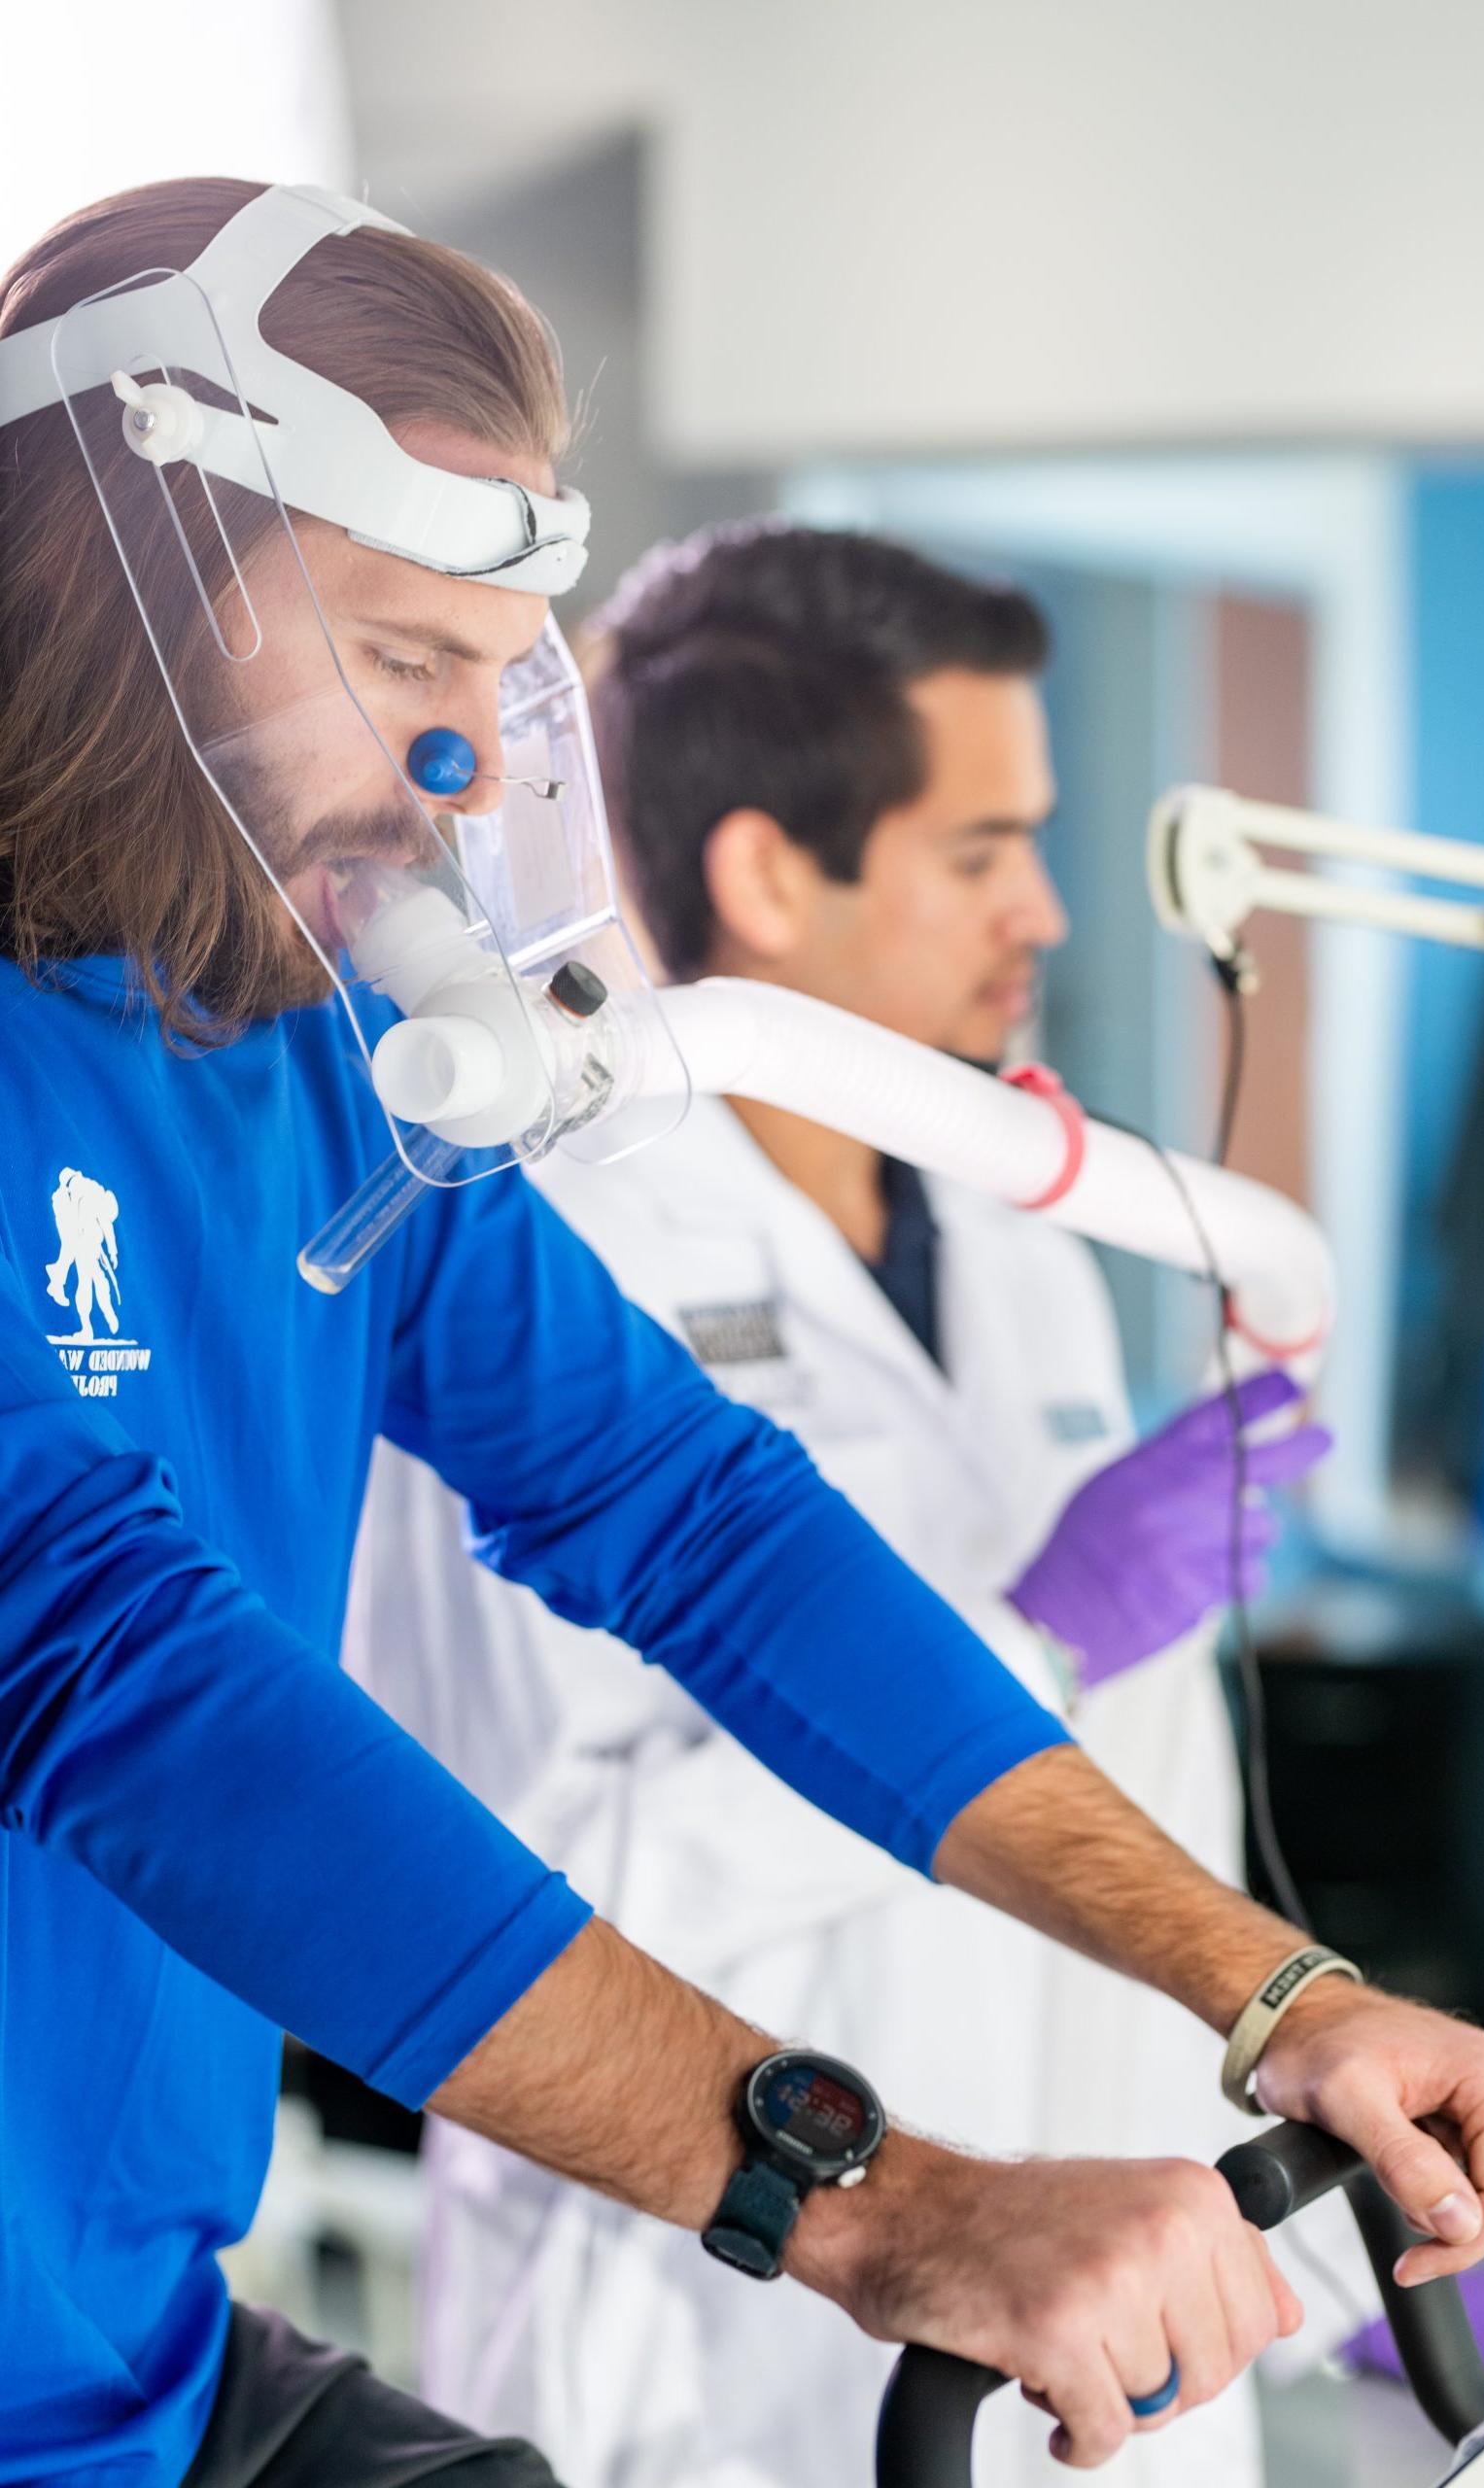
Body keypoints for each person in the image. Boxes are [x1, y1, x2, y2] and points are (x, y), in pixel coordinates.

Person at [0, 177, 1484, 2488]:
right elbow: (118, 1681)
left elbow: (678, 1503)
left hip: (136, 2350)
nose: (464, 775)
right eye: (392, 659)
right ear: (102, 573)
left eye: (485, 674)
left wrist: (1267, 1984)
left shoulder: (295, 1034)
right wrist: (879, 2202)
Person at [348, 521, 1331, 2486]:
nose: (1043, 908)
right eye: (980, 849)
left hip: (1095, 2298)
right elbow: (509, 1890)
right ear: (765, 870)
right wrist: (1037, 1625)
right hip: (720, 2336)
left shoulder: (1022, 1226)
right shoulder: (532, 1252)